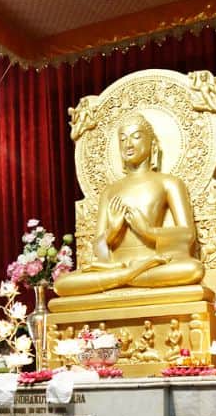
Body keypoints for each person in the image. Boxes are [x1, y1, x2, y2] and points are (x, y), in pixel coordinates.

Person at [53, 112, 204, 296]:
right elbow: (97, 248)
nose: (128, 144)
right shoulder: (109, 191)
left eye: (136, 137)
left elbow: (188, 235)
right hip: (116, 266)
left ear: (151, 143)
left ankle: (122, 279)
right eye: (123, 139)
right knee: (61, 283)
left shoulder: (169, 183)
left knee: (192, 269)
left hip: (155, 262)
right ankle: (129, 275)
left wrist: (149, 231)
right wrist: (112, 231)